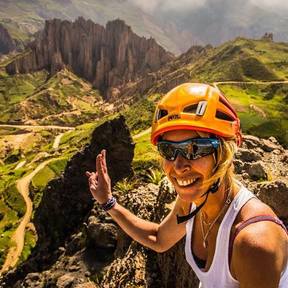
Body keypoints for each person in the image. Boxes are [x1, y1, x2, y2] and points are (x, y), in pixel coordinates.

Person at [86, 83, 288, 288]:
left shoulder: (253, 242)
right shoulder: (191, 202)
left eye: (194, 149)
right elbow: (158, 238)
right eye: (168, 150)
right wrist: (108, 202)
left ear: (225, 152)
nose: (178, 165)